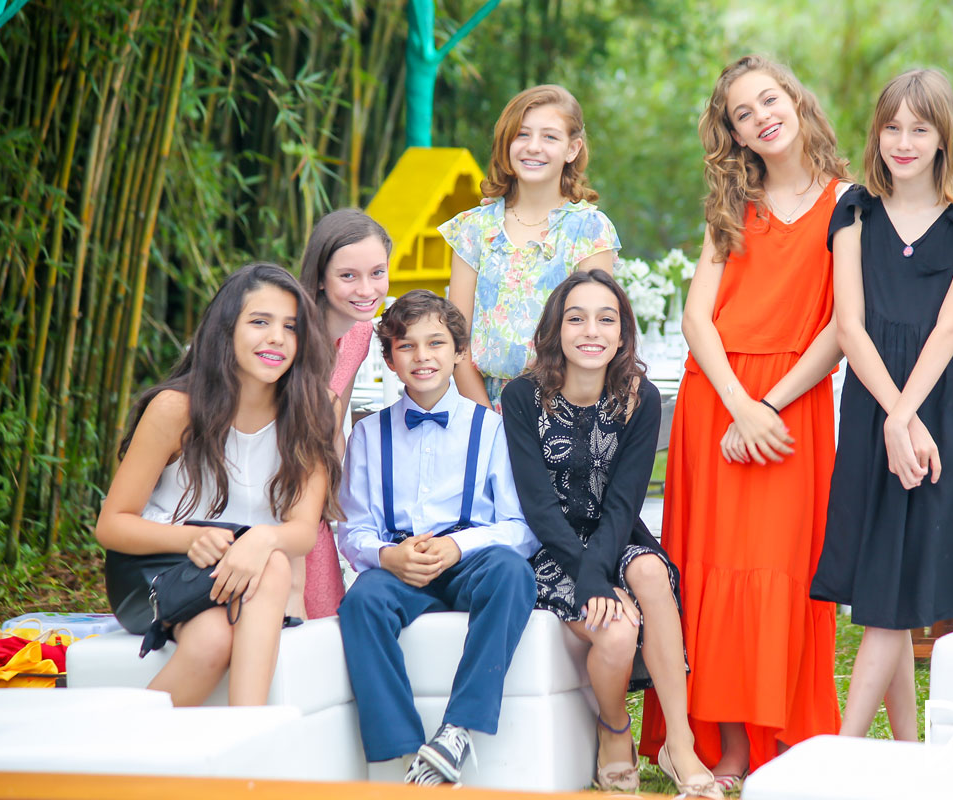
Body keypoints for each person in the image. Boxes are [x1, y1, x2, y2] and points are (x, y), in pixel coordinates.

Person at [639, 56, 849, 782]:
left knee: (781, 568)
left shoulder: (850, 202)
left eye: (769, 99)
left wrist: (767, 407)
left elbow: (841, 328)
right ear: (733, 134)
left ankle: (779, 737)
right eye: (742, 113)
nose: (762, 116)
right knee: (716, 569)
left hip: (792, 406)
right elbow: (697, 318)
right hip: (718, 400)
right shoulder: (733, 204)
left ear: (796, 99)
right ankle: (726, 744)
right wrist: (739, 406)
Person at [810, 69, 953, 739]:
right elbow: (849, 326)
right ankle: (908, 752)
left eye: (920, 129)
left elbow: (951, 327)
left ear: (944, 136)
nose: (903, 141)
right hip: (873, 406)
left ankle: (843, 751)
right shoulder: (854, 211)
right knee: (883, 585)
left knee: (893, 594)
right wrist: (894, 418)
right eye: (892, 127)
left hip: (942, 410)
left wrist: (909, 418)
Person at [501, 270, 721, 798]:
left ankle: (679, 742)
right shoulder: (522, 397)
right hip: (548, 549)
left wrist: (602, 570)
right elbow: (538, 507)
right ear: (555, 330)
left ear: (622, 333)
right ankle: (615, 727)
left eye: (606, 319)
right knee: (617, 633)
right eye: (576, 319)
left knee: (650, 571)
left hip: (616, 535)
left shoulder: (638, 399)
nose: (591, 331)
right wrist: (590, 577)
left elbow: (623, 504)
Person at [97, 263, 342, 706]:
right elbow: (112, 525)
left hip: (245, 568)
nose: (277, 338)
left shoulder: (314, 410)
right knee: (272, 567)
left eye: (290, 327)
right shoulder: (176, 410)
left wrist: (260, 539)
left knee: (215, 636)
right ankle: (251, 730)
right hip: (158, 566)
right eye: (260, 322)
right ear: (226, 330)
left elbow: (303, 531)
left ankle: (131, 743)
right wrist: (192, 538)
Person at [336, 290, 539, 786]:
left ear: (459, 353)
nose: (422, 356)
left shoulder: (491, 429)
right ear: (389, 360)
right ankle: (403, 756)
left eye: (436, 343)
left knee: (512, 573)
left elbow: (520, 526)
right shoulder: (368, 435)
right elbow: (354, 528)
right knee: (362, 602)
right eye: (406, 346)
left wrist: (457, 547)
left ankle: (458, 729)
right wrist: (388, 555)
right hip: (401, 564)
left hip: (470, 560)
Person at [441, 84, 620, 411]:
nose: (533, 147)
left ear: (572, 149)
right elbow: (458, 343)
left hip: (564, 407)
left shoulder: (590, 230)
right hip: (482, 406)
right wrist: (489, 424)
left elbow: (593, 337)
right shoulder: (474, 228)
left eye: (549, 137)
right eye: (522, 134)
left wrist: (552, 422)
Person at [297, 209, 392, 620]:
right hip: (271, 493)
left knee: (325, 611)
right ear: (320, 277)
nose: (366, 289)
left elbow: (334, 420)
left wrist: (338, 496)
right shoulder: (292, 334)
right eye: (348, 276)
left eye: (377, 273)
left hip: (311, 493)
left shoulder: (359, 332)